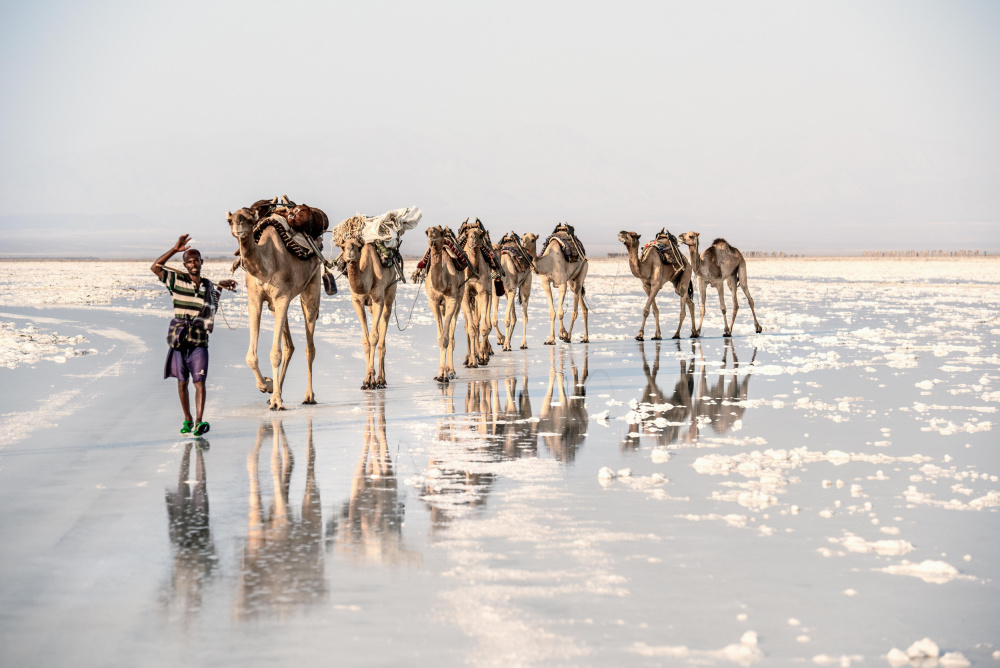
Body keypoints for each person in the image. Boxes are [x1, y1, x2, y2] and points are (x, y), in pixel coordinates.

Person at [151, 235, 237, 436]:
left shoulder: (208, 286)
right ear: (185, 264)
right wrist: (174, 249)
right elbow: (155, 267)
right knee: (182, 383)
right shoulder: (176, 281)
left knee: (200, 382)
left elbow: (212, 304)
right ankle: (188, 419)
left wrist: (221, 286)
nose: (193, 264)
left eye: (196, 260)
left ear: (201, 262)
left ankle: (199, 422)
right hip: (180, 341)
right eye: (189, 261)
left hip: (200, 342)